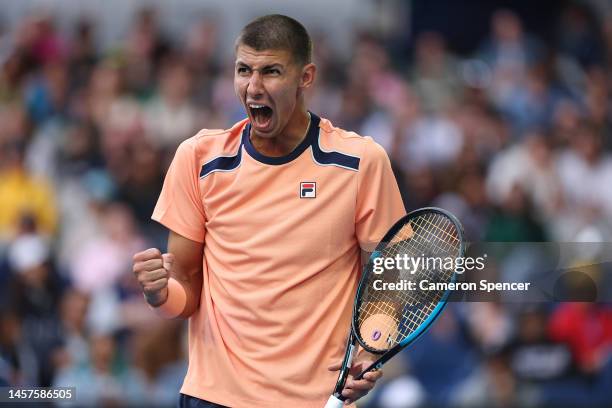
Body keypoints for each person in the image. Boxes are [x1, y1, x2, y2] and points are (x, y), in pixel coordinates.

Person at [132, 14, 405, 407]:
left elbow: (390, 279)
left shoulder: (361, 162)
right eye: (244, 70)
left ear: (305, 77)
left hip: (314, 398)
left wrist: (370, 350)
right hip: (213, 396)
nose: (253, 87)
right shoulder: (198, 159)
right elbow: (187, 291)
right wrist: (160, 295)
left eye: (271, 72)